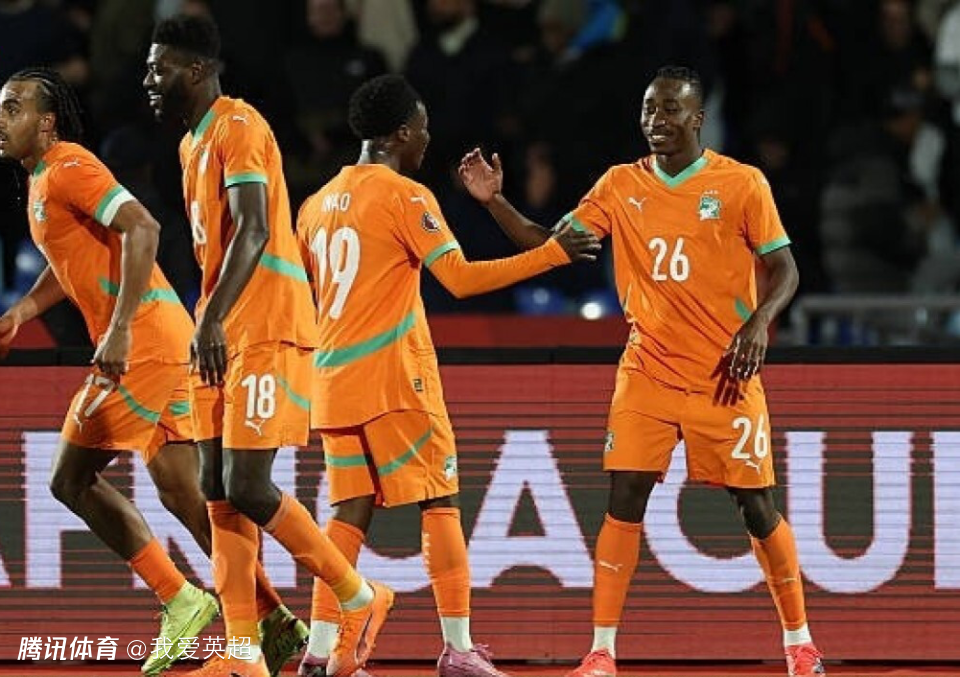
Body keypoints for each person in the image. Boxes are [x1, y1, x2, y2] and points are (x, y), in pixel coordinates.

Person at [458, 65, 826, 677]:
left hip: (723, 373)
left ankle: (800, 643)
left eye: (670, 109)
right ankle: (602, 650)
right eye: (650, 109)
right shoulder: (619, 184)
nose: (656, 120)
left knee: (756, 505)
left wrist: (760, 321)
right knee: (623, 498)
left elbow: (786, 268)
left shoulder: (741, 183)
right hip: (647, 371)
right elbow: (550, 246)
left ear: (698, 118)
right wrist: (494, 201)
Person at [0, 66, 311, 677]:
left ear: (48, 121)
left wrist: (117, 329)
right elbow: (74, 259)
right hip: (162, 337)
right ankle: (271, 619)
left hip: (142, 340)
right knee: (187, 494)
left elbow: (143, 225)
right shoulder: (41, 180)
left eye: (13, 107)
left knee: (70, 478)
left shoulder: (69, 165)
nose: (1, 120)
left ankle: (180, 597)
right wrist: (23, 311)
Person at [294, 74, 600, 677]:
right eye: (422, 128)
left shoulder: (314, 206)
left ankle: (320, 650)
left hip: (330, 382)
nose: (428, 138)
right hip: (393, 379)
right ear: (399, 134)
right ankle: (458, 648)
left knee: (348, 512)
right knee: (440, 499)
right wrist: (551, 254)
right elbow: (458, 279)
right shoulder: (406, 196)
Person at [143, 14, 392, 677]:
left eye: (160, 68)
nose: (149, 80)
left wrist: (212, 318)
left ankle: (358, 596)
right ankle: (244, 653)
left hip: (263, 323)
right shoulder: (191, 144)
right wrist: (210, 319)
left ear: (197, 70)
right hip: (220, 327)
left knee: (249, 484)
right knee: (215, 486)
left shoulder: (240, 125)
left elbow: (253, 229)